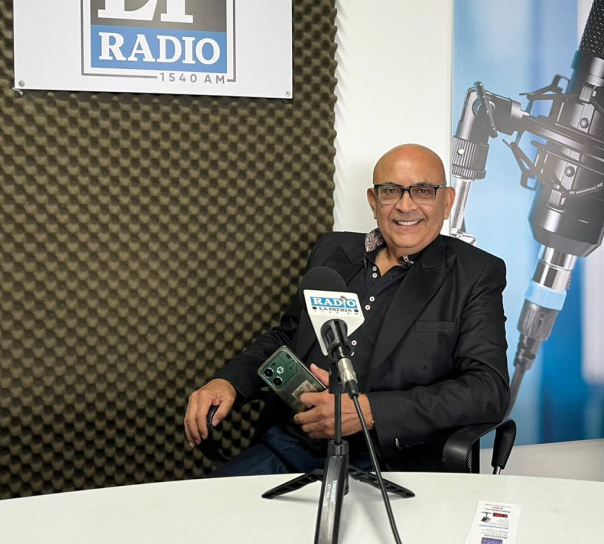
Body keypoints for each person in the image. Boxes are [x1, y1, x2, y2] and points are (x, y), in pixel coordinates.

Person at [183, 143, 509, 475]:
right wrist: (229, 382)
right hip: (292, 446)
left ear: (447, 201)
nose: (405, 205)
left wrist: (369, 411)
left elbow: (488, 389)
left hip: (386, 463)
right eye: (391, 191)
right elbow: (288, 336)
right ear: (373, 200)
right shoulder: (333, 251)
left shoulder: (475, 274)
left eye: (423, 191)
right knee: (207, 519)